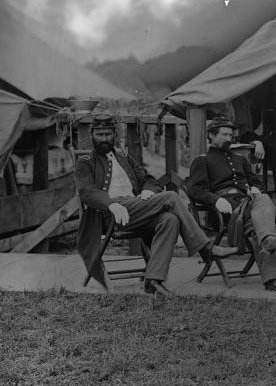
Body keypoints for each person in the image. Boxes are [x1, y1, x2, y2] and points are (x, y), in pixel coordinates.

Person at [76, 114, 237, 296]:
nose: (104, 138)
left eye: (107, 134)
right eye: (99, 134)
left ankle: (153, 280)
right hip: (107, 215)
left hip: (134, 209)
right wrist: (111, 205)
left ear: (115, 134)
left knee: (170, 220)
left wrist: (148, 190)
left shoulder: (124, 157)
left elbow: (148, 179)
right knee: (170, 197)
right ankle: (206, 249)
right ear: (92, 136)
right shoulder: (86, 162)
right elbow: (87, 191)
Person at [186, 117, 276, 293]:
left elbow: (256, 182)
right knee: (255, 224)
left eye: (231, 134)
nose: (229, 138)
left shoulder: (239, 159)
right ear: (211, 136)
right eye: (224, 134)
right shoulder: (203, 160)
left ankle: (268, 246)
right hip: (224, 211)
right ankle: (272, 268)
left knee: (263, 200)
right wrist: (216, 200)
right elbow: (194, 189)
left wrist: (255, 189)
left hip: (248, 203)